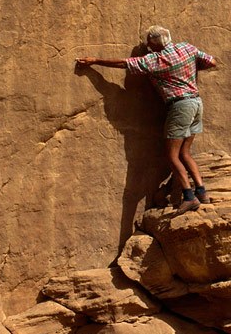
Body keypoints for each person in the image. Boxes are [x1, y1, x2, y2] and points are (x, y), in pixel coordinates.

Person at [75, 25, 217, 215]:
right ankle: (202, 192)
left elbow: (124, 63)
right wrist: (189, 68)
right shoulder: (186, 48)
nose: (147, 47)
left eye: (149, 44)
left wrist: (95, 61)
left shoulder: (156, 60)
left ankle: (189, 197)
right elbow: (212, 62)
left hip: (180, 106)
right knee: (185, 152)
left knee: (172, 155)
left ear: (154, 44)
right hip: (196, 103)